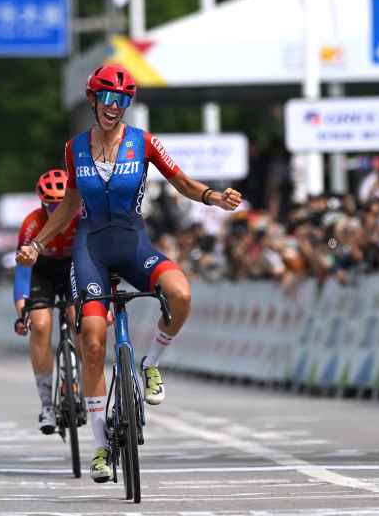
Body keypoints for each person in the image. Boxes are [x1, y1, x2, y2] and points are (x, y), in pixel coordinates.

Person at [16, 64, 242, 483]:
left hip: (133, 244)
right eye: (106, 98)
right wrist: (40, 244)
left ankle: (151, 362)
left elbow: (183, 183)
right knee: (93, 340)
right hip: (91, 249)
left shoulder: (145, 142)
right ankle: (102, 448)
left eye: (121, 100)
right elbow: (67, 206)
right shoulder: (75, 148)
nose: (113, 107)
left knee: (181, 294)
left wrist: (214, 197)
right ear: (93, 100)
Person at [13, 168, 80, 435]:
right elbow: (22, 270)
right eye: (50, 205)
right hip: (43, 271)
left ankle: (83, 386)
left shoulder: (82, 217)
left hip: (75, 268)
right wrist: (22, 309)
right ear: (42, 203)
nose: (56, 210)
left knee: (83, 320)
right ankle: (46, 405)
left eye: (61, 204)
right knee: (40, 325)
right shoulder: (32, 224)